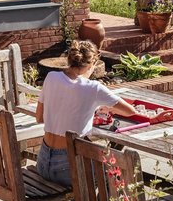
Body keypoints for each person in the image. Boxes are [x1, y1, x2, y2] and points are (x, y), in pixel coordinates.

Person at [36, 39, 138, 187]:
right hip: (67, 169)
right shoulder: (93, 88)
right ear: (92, 64)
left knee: (102, 169)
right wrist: (108, 107)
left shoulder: (51, 77)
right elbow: (130, 111)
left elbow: (39, 118)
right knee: (116, 174)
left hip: (44, 163)